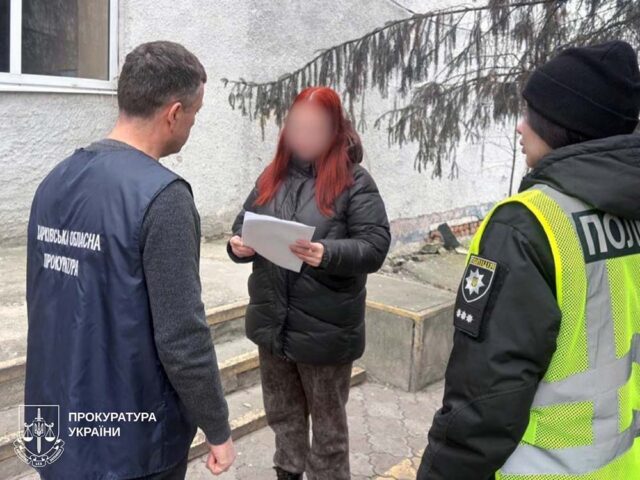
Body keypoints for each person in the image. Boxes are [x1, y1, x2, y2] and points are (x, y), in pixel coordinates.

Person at [417, 40, 640, 479]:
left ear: (563, 126)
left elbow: (484, 399)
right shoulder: (631, 215)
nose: (520, 127)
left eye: (531, 115)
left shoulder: (527, 224)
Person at [25, 41, 235, 479]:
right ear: (174, 113)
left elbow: (45, 306)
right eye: (195, 114)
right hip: (133, 445)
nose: (192, 125)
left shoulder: (54, 181)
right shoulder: (164, 198)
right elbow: (182, 337)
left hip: (58, 427)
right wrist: (217, 427)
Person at [227, 86, 391, 480]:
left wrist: (327, 253)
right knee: (283, 417)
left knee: (328, 432)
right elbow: (243, 224)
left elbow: (374, 246)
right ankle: (287, 473)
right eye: (296, 126)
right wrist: (238, 246)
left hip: (325, 331)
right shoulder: (273, 176)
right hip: (274, 324)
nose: (302, 136)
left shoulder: (355, 182)